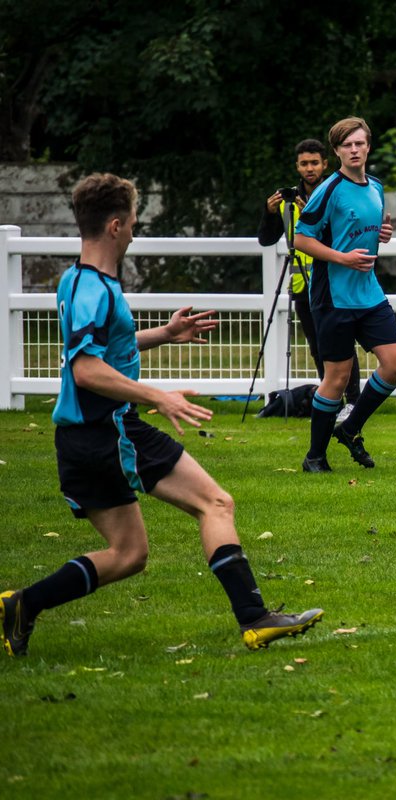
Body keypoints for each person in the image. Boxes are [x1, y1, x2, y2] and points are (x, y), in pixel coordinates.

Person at [1, 173, 323, 657]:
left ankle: (22, 604)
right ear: (114, 225)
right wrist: (157, 396)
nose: (135, 229)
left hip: (81, 437)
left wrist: (164, 334)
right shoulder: (94, 289)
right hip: (110, 430)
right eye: (132, 221)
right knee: (215, 504)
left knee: (129, 555)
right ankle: (256, 619)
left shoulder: (77, 280)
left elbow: (105, 347)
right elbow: (86, 369)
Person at [293, 117, 396, 472]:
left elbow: (366, 229)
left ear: (368, 146)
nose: (354, 150)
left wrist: (381, 233)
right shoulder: (328, 189)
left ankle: (351, 426)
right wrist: (342, 257)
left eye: (360, 143)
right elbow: (299, 237)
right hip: (333, 296)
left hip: (368, 291)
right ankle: (315, 456)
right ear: (337, 151)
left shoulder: (375, 186)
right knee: (338, 377)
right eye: (347, 145)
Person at [257, 138, 361, 422]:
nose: (309, 168)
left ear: (325, 164)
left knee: (342, 342)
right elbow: (266, 239)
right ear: (297, 166)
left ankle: (354, 401)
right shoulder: (286, 201)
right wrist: (268, 213)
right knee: (319, 346)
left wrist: (313, 211)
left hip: (334, 280)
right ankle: (331, 401)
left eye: (314, 163)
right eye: (304, 164)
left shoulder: (335, 191)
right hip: (303, 286)